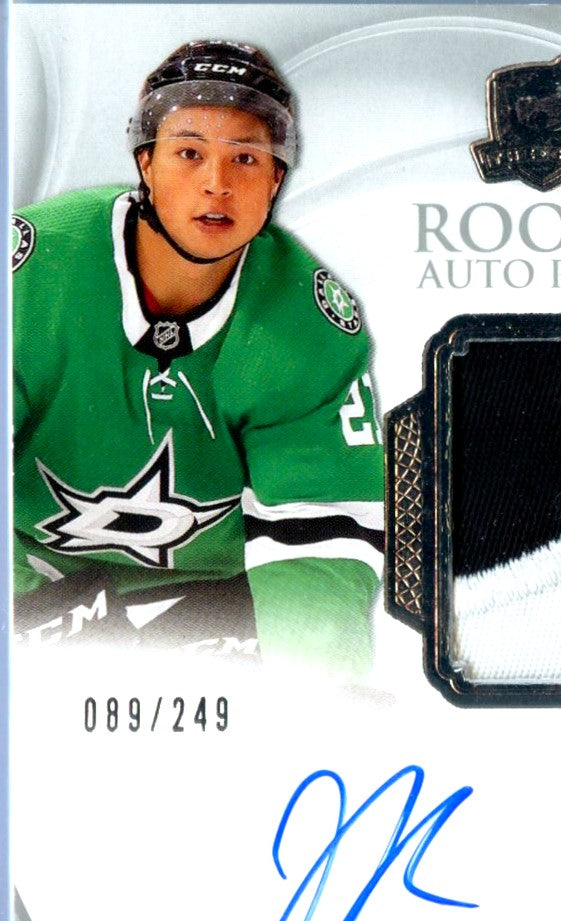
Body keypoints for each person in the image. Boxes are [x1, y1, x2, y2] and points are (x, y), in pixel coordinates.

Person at [12, 40, 384, 673]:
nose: (217, 184)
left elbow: (320, 547)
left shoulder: (310, 327)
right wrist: (30, 616)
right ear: (146, 163)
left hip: (216, 607)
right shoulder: (28, 273)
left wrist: (317, 699)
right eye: (189, 153)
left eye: (246, 158)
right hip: (30, 580)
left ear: (275, 179)